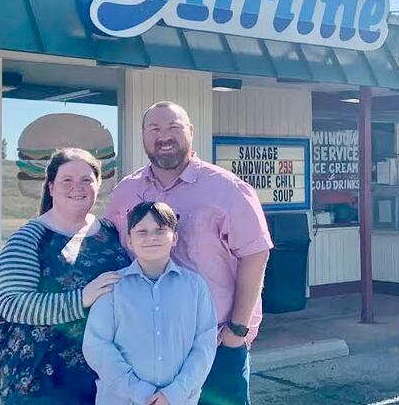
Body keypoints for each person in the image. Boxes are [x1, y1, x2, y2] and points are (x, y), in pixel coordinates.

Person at [104, 101, 273, 405]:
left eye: (174, 127)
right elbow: (111, 250)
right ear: (143, 135)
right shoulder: (125, 193)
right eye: (154, 128)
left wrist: (237, 329)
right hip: (145, 346)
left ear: (191, 132)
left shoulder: (228, 189)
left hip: (217, 343)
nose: (164, 136)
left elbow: (256, 254)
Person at [0, 148, 131, 404]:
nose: (77, 187)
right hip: (43, 379)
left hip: (106, 374)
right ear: (51, 187)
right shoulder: (32, 237)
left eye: (87, 179)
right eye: (67, 180)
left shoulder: (111, 232)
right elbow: (11, 303)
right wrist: (81, 299)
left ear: (98, 185)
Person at [83, 201, 217, 405]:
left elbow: (204, 345)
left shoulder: (195, 287)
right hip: (122, 399)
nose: (151, 237)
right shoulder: (112, 287)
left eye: (160, 230)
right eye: (142, 231)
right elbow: (97, 345)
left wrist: (174, 392)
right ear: (129, 240)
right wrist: (139, 391)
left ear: (175, 238)